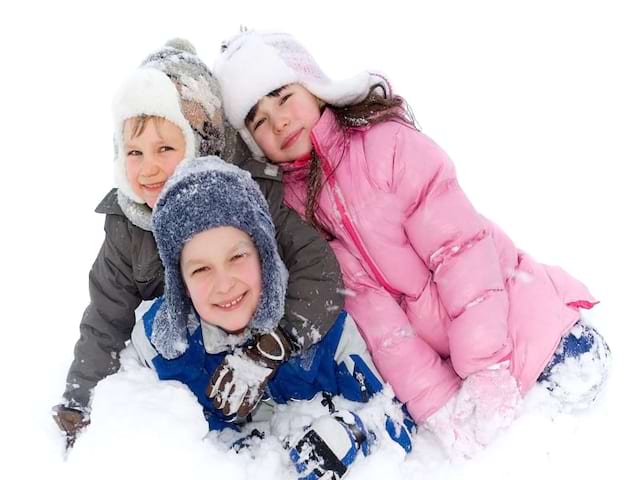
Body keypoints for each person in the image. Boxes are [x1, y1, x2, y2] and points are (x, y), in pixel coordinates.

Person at [213, 30, 612, 459]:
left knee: (577, 407)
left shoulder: (387, 147)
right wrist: (437, 404)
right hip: (440, 355)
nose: (279, 121)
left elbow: (461, 252)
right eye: (258, 120)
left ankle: (545, 346)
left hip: (508, 306)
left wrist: (486, 367)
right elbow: (375, 320)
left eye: (283, 97)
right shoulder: (296, 216)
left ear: (314, 88)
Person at [52, 38, 345, 450]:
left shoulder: (246, 194)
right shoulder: (128, 225)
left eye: (166, 148)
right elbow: (105, 316)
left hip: (266, 349)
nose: (148, 168)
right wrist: (80, 397)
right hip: (195, 369)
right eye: (134, 152)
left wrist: (276, 344)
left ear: (201, 141)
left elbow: (319, 269)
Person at [130, 155, 413, 479]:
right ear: (180, 281)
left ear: (264, 253)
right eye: (201, 269)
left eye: (237, 257)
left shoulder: (322, 334)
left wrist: (352, 434)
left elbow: (395, 420)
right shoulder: (164, 349)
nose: (224, 284)